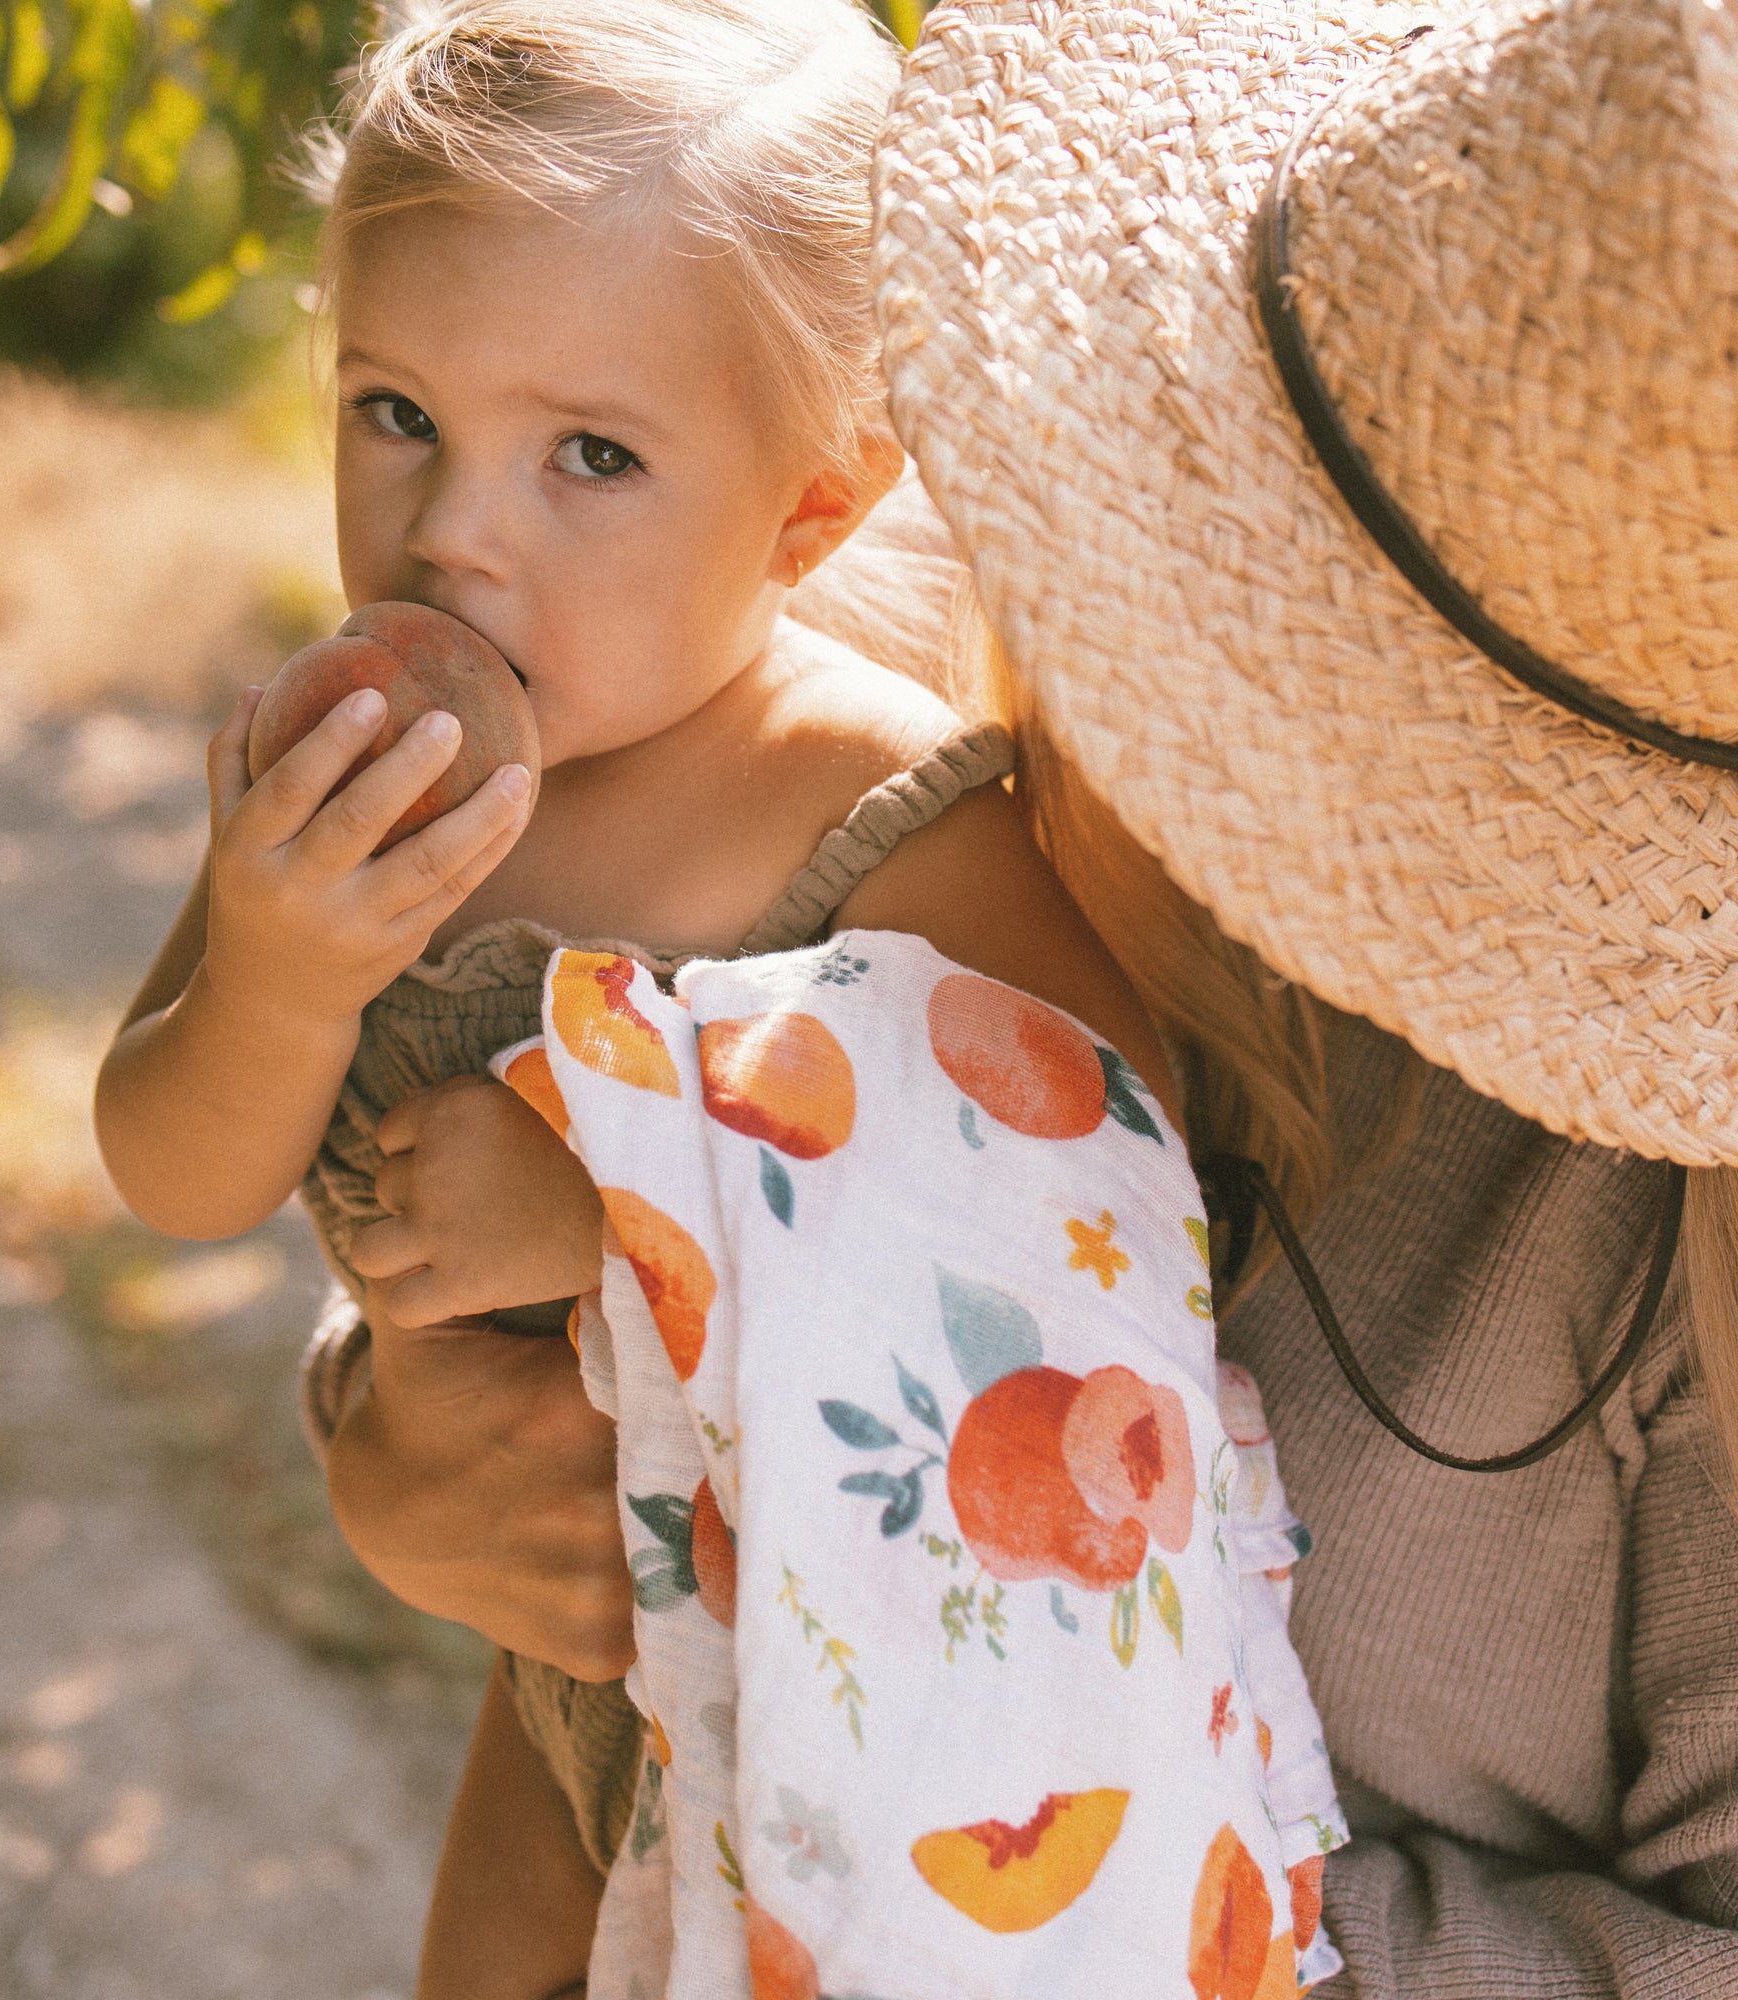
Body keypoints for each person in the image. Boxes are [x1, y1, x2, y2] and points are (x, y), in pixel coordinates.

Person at [312, 0, 1738, 1992]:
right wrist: (406, 1415)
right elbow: (561, 1169)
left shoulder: (1649, 1225)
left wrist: (1123, 1895)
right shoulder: (949, 736)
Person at [94, 1, 1321, 1992]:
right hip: (563, 1692)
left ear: (813, 506)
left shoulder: (894, 826)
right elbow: (170, 1171)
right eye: (396, 410)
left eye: (590, 455)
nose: (453, 531)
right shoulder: (357, 783)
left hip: (847, 1734)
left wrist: (625, 1206)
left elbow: (1082, 1236)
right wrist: (273, 970)